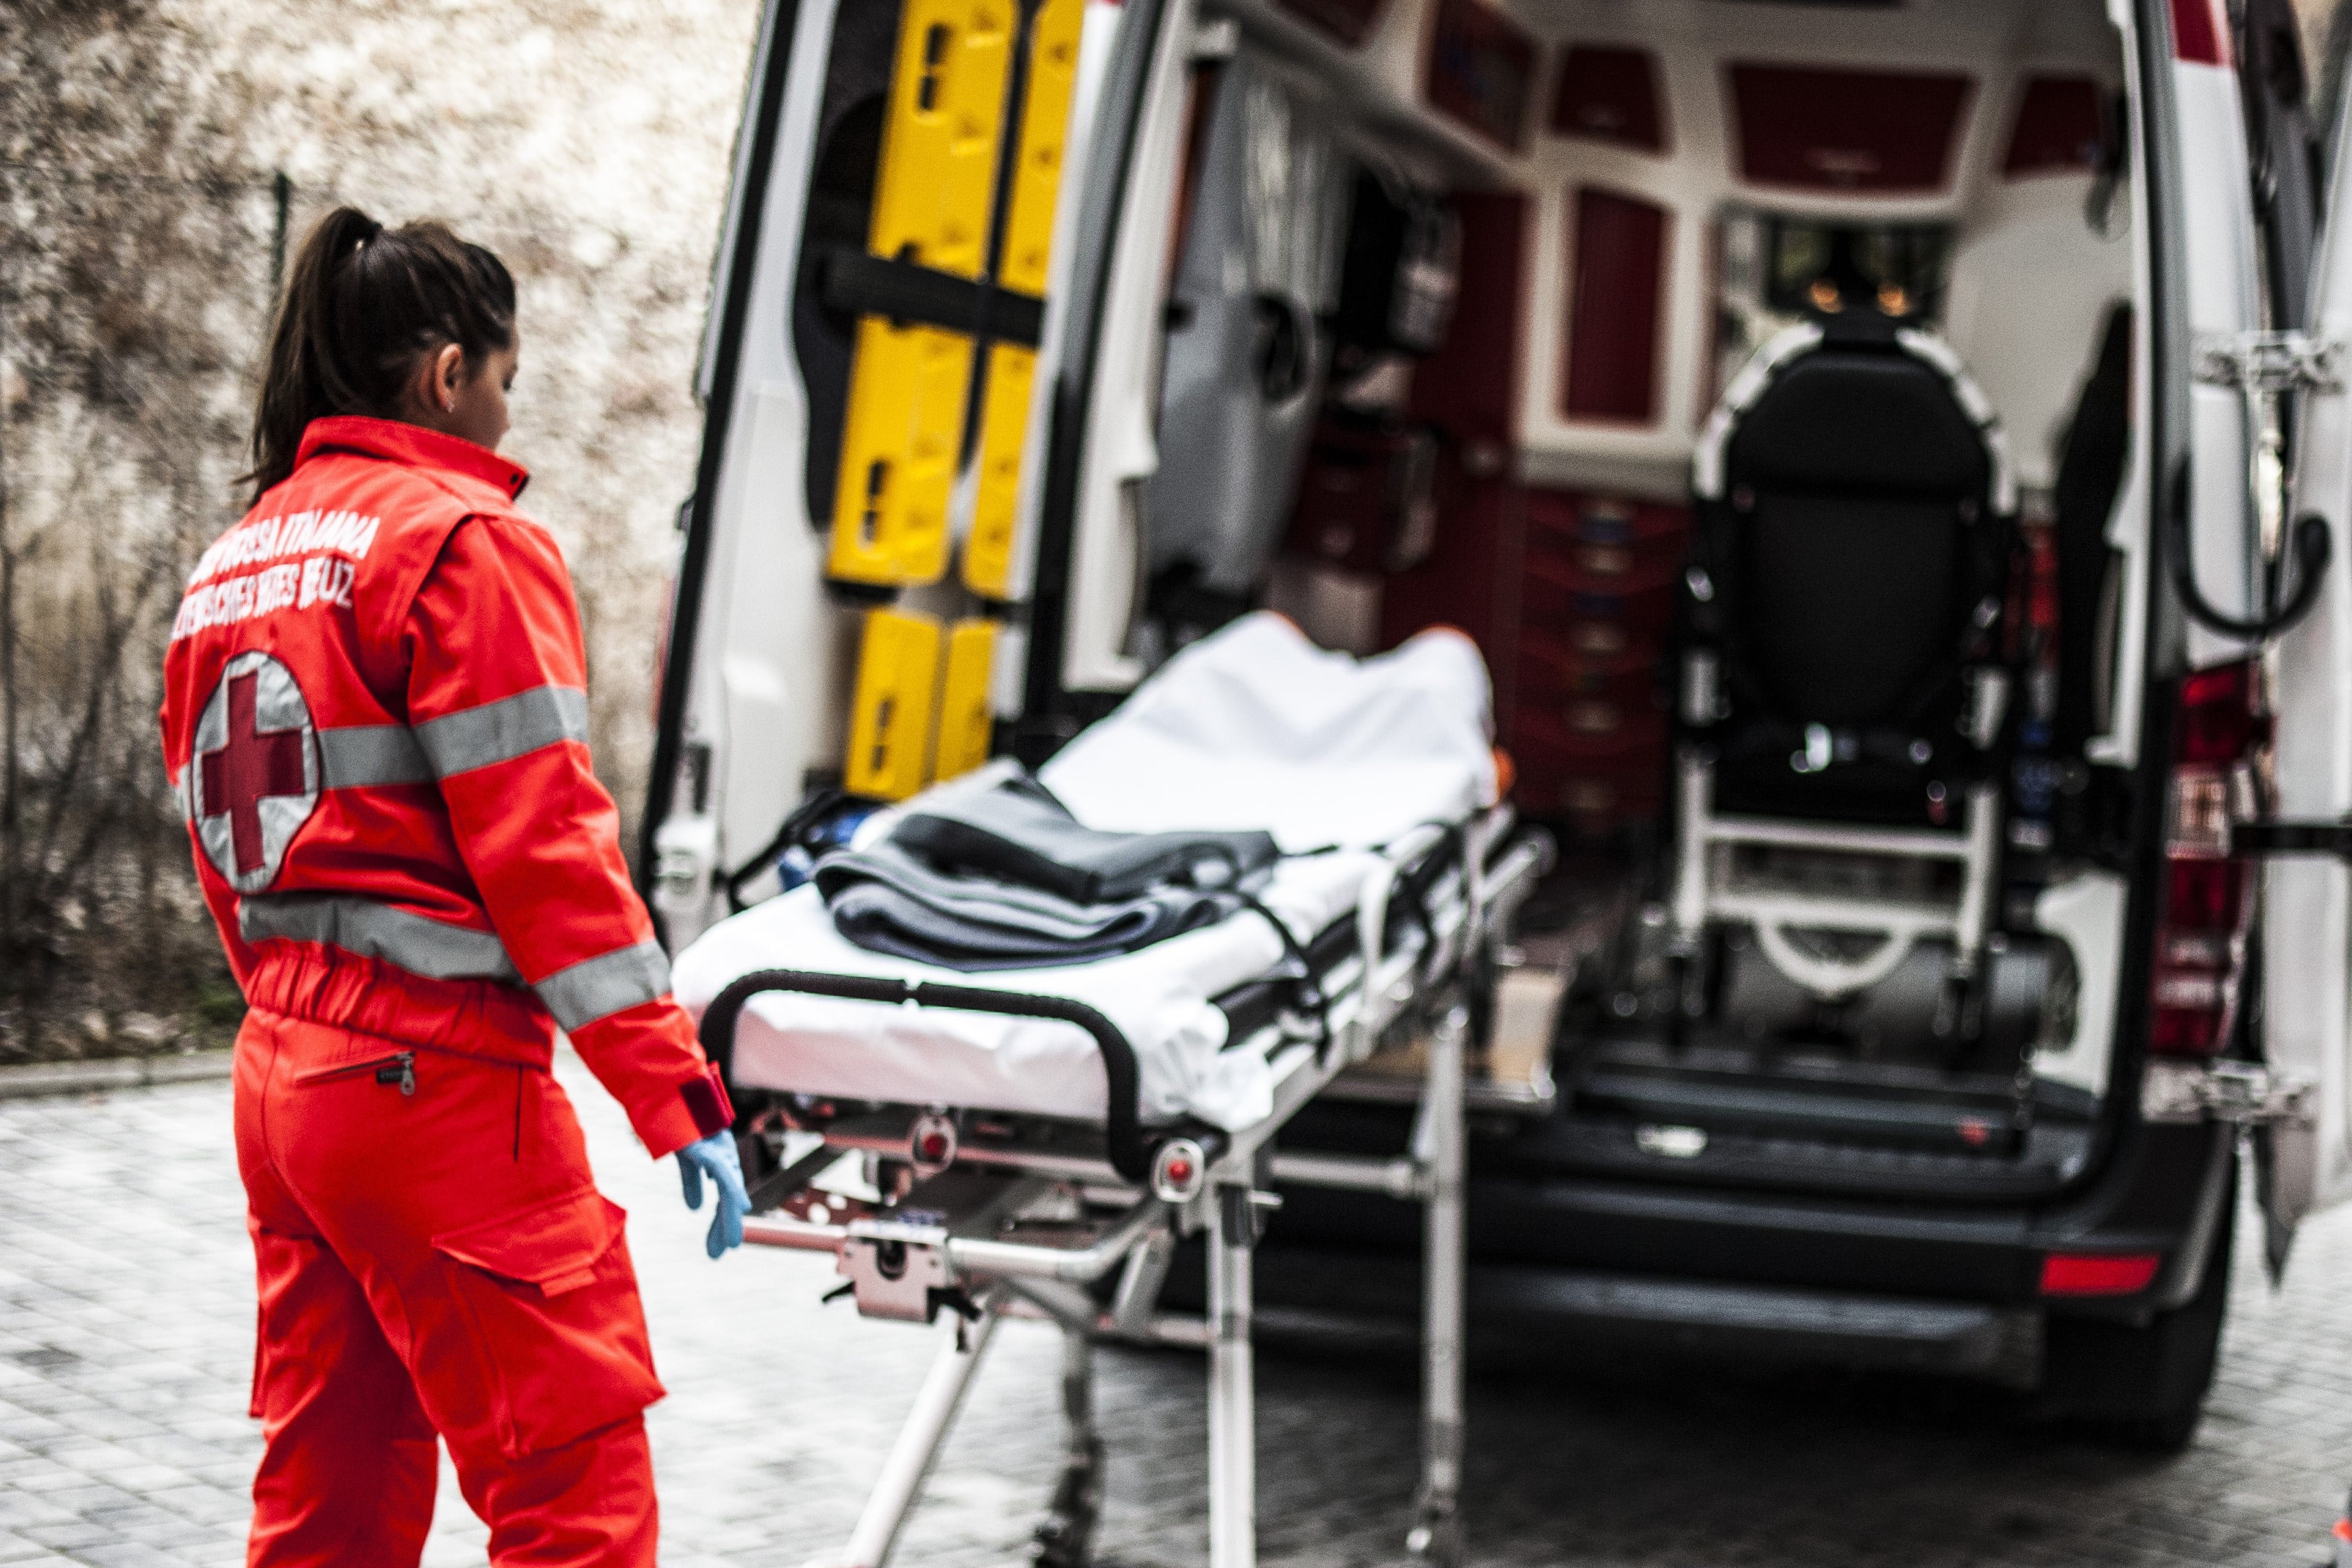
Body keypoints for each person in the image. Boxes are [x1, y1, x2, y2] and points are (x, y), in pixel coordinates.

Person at [158, 206, 751, 1567]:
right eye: (503, 380)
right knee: (573, 1502)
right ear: (445, 375)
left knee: (332, 1500)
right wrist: (672, 1093)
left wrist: (301, 1017)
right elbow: (548, 853)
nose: (501, 415)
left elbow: (215, 839)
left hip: (288, 1086)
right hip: (437, 1098)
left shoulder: (232, 564)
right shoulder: (460, 543)